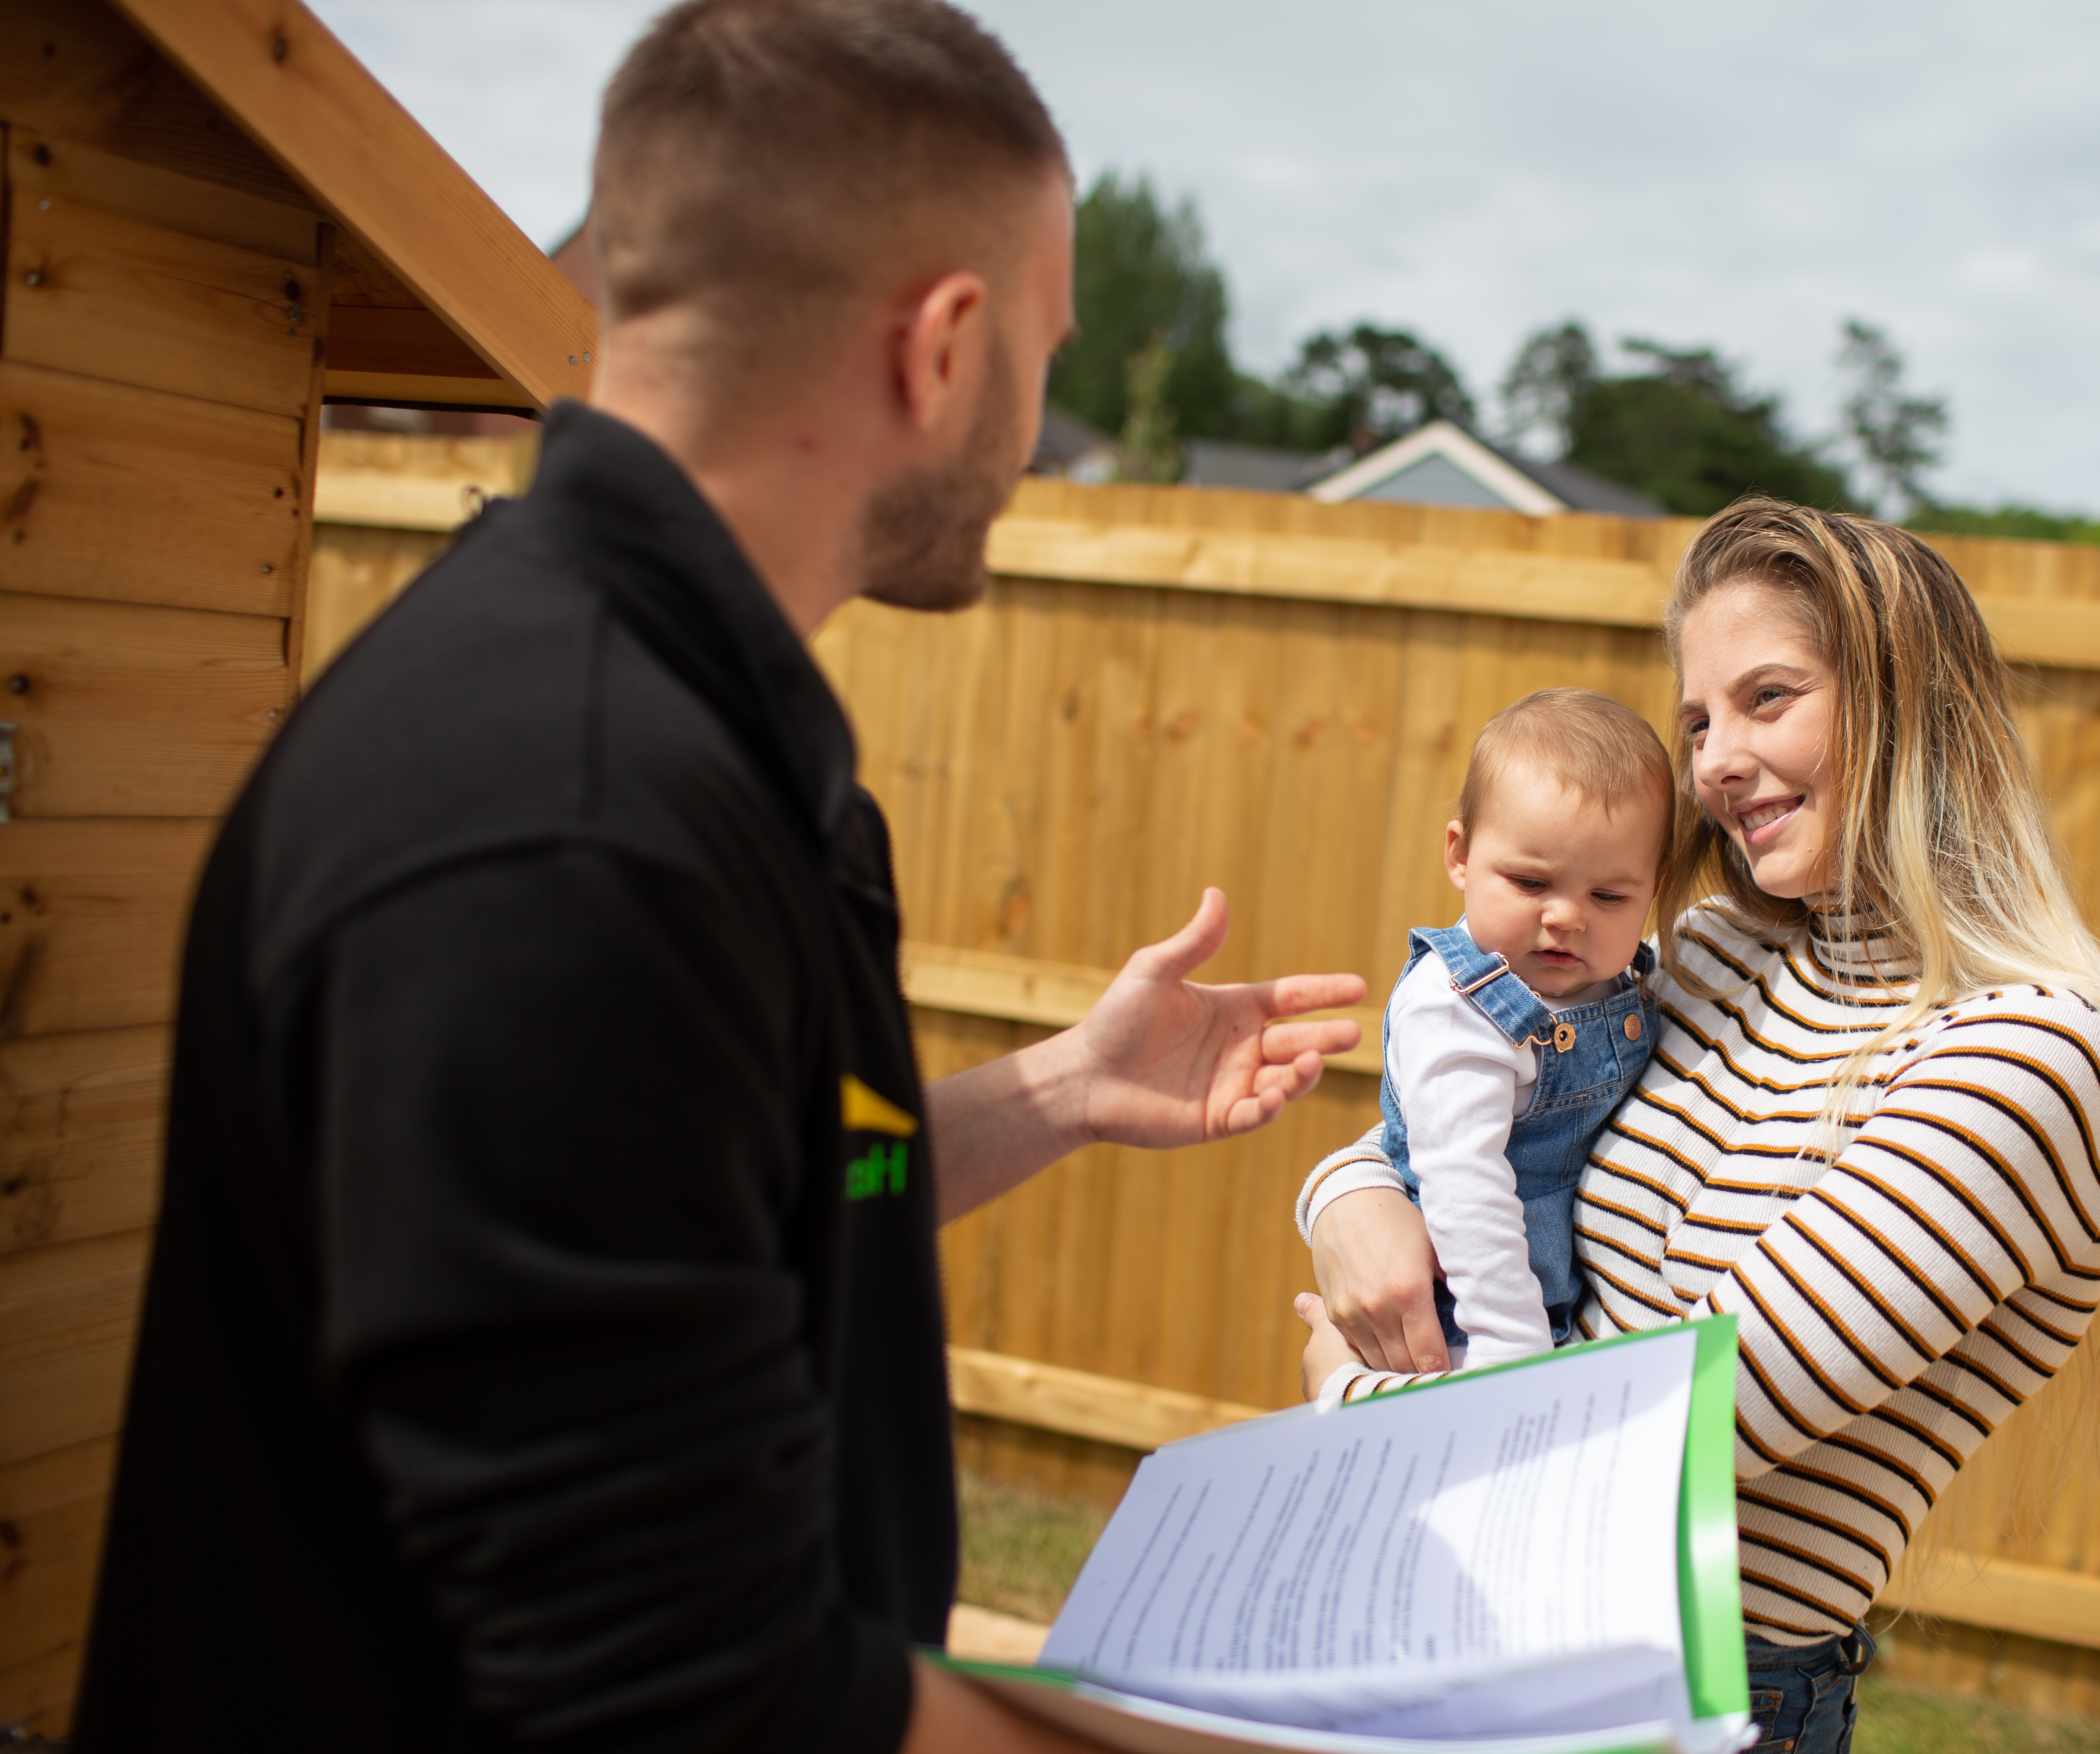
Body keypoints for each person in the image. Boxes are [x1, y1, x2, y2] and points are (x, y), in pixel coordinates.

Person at [75, 4, 1360, 1751]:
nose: (1041, 424)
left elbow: (741, 1198)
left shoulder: (700, 743)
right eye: (1047, 355)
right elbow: (693, 1693)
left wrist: (1063, 1086)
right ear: (945, 344)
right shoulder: (561, 823)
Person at [1294, 498, 2100, 1754]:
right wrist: (1348, 1202)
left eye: (1769, 700)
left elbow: (1683, 1428)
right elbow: (1468, 1127)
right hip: (1483, 1605)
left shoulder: (2027, 1060)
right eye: (1701, 719)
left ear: (1908, 706)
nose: (1711, 763)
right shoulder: (1711, 959)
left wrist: (1345, 1395)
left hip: (1699, 1692)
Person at [1356, 689, 1670, 1380]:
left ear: (1654, 891)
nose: (1567, 918)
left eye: (1610, 897)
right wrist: (1508, 1352)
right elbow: (1464, 1189)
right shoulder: (1455, 1009)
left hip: (1559, 1315)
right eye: (1532, 883)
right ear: (1461, 855)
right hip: (1461, 1331)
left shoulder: (1633, 980)